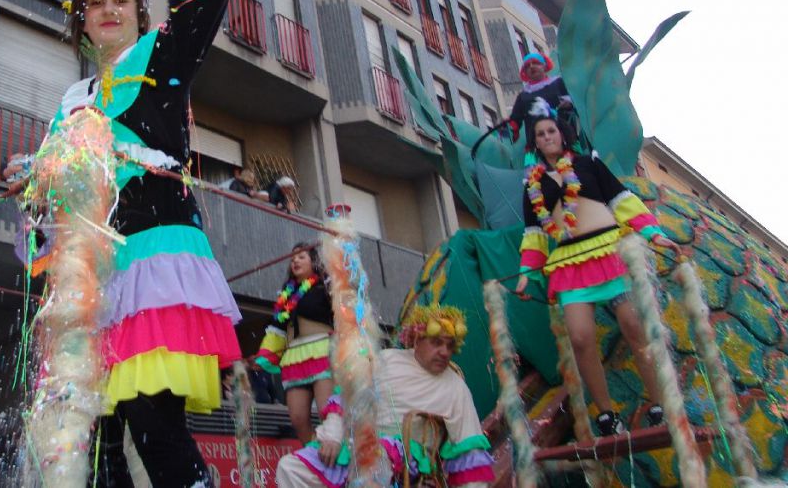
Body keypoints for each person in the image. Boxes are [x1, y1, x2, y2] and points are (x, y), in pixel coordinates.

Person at [16, 0, 246, 487]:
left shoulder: (161, 58)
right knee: (95, 445)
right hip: (91, 281)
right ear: (82, 25)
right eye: (96, 3)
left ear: (140, 15)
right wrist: (33, 189)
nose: (109, 8)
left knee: (153, 424)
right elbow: (50, 204)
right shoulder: (72, 103)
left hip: (153, 261)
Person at [513, 111, 682, 435]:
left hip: (609, 253)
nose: (547, 137)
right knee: (580, 338)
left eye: (551, 131)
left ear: (562, 134)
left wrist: (654, 234)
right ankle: (607, 416)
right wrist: (525, 274)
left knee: (634, 325)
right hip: (570, 263)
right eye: (540, 134)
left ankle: (660, 403)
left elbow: (620, 199)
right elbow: (534, 234)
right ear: (535, 144)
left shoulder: (588, 163)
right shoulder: (532, 185)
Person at [275, 304, 494, 487]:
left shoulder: (456, 387)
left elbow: (470, 448)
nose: (445, 352)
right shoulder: (386, 359)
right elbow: (349, 397)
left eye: (450, 345)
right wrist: (331, 436)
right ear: (417, 339)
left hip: (400, 459)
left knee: (370, 469)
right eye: (437, 342)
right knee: (290, 468)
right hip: (355, 444)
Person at [254, 243, 334, 443]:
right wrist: (264, 357)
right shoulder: (286, 292)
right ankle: (313, 455)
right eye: (292, 259)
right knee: (298, 418)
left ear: (313, 261)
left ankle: (335, 452)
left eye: (301, 257)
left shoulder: (325, 285)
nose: (295, 261)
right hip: (294, 357)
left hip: (322, 352)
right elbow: (277, 327)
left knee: (327, 412)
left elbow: (343, 312)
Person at [506, 52, 577, 143]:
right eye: (527, 66)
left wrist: (570, 104)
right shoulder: (523, 96)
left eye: (535, 63)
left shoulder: (559, 82)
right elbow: (515, 121)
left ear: (544, 66)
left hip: (565, 137)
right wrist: (507, 126)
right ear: (525, 72)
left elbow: (577, 102)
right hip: (538, 143)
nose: (531, 66)